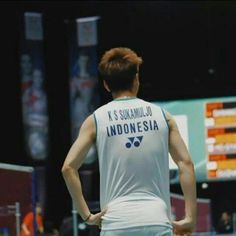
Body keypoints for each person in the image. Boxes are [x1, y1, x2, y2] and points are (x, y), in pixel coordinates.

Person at [62, 47, 197, 236]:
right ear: (136, 79)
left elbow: (68, 168)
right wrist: (190, 217)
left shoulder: (95, 120)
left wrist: (87, 216)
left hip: (116, 225)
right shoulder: (163, 116)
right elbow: (186, 164)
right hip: (157, 221)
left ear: (106, 85)